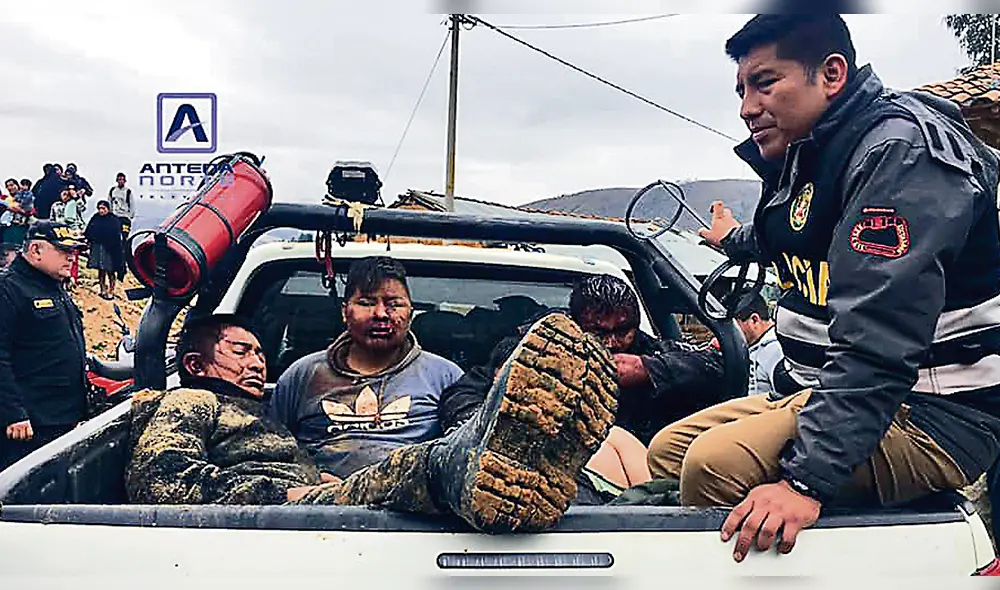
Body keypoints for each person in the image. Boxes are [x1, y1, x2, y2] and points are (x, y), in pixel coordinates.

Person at [645, 14, 1000, 562]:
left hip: (931, 412)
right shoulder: (810, 155)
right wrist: (728, 240)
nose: (746, 107)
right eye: (741, 89)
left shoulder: (898, 157)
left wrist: (804, 483)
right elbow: (789, 235)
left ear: (832, 73)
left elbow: (878, 338)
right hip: (834, 391)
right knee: (670, 449)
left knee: (712, 465)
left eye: (765, 83)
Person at [129, 310, 619, 535]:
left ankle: (525, 461)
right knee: (411, 469)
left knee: (408, 470)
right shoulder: (191, 401)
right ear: (195, 364)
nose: (258, 362)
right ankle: (480, 445)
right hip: (292, 516)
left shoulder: (260, 414)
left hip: (317, 508)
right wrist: (284, 494)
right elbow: (159, 479)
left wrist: (313, 479)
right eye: (241, 351)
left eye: (261, 352)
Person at [442, 274, 730, 448]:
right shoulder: (527, 346)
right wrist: (488, 425)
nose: (611, 343)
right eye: (599, 332)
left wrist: (649, 370)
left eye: (622, 331)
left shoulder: (652, 351)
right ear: (575, 323)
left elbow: (720, 369)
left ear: (636, 324)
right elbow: (462, 394)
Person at [0, 221, 88, 470]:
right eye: (64, 251)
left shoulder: (55, 288)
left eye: (73, 251)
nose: (72, 257)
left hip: (62, 418)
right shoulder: (9, 289)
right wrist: (13, 413)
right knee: (21, 504)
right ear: (36, 250)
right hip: (28, 425)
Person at [732, 291, 784, 399]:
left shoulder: (774, 350)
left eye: (735, 327)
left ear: (754, 320)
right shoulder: (757, 347)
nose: (731, 334)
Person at [84, 200, 124, 300]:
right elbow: (89, 230)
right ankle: (102, 289)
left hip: (110, 249)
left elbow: (116, 236)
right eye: (99, 208)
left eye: (103, 208)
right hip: (98, 247)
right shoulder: (95, 218)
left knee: (110, 270)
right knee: (100, 270)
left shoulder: (114, 220)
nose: (101, 211)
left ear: (108, 209)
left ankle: (111, 290)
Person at [108, 172, 134, 247]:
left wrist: (130, 216)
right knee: (114, 237)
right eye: (119, 179)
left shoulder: (128, 191)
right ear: (117, 180)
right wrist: (110, 214)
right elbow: (109, 202)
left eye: (122, 180)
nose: (121, 181)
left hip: (125, 217)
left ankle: (125, 254)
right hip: (115, 217)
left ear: (125, 181)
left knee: (125, 236)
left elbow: (132, 204)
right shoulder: (113, 190)